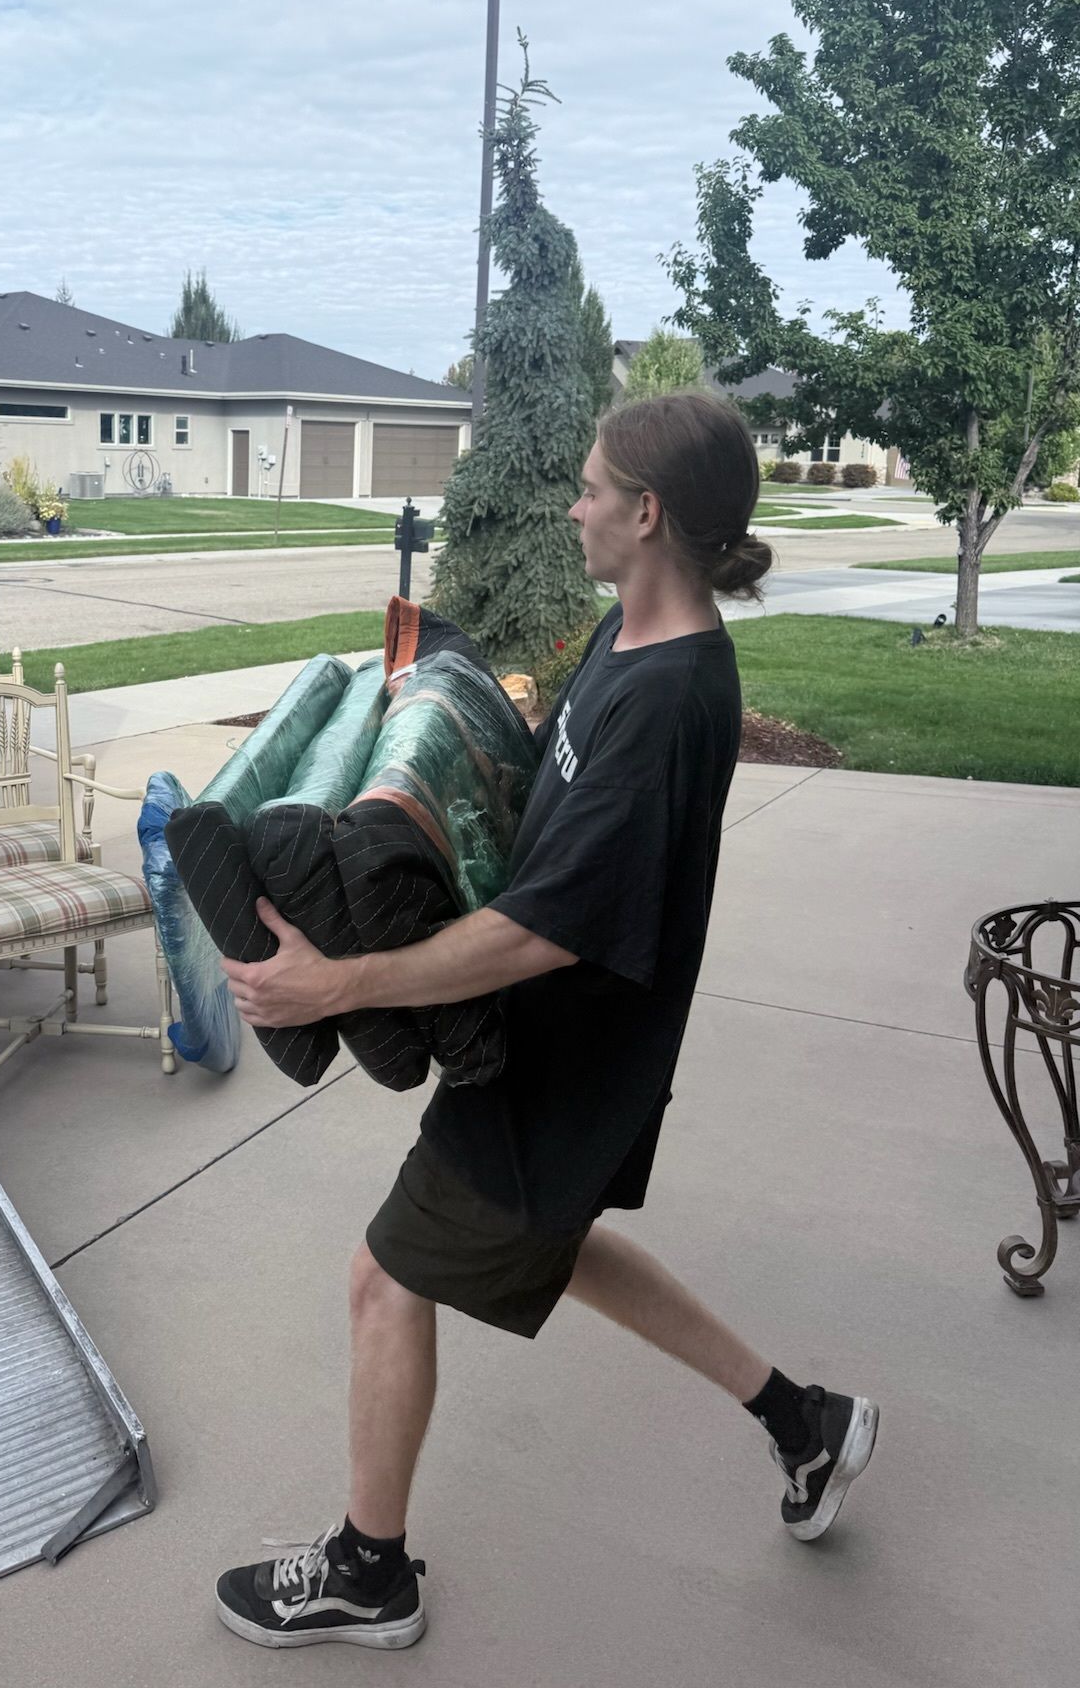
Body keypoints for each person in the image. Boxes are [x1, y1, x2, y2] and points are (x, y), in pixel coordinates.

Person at [213, 390, 879, 1652]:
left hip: (561, 1060)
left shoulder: (672, 700)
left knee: (382, 1277)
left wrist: (339, 985)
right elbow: (531, 799)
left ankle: (370, 1569)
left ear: (647, 511)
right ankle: (807, 1420)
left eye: (589, 487)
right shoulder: (621, 634)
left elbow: (546, 926)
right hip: (544, 1046)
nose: (571, 504)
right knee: (556, 1246)